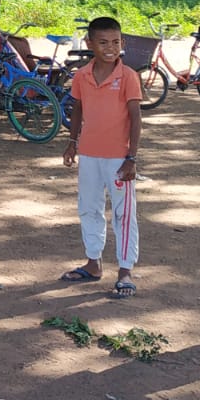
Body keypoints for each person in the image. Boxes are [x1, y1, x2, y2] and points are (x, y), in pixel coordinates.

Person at [59, 16, 142, 297]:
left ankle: (125, 271)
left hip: (119, 158)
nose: (110, 48)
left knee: (124, 214)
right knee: (89, 208)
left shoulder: (128, 76)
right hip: (89, 155)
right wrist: (72, 142)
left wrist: (132, 158)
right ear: (89, 43)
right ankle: (93, 263)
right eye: (103, 42)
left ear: (123, 44)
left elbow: (135, 118)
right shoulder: (82, 75)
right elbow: (78, 108)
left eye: (116, 42)